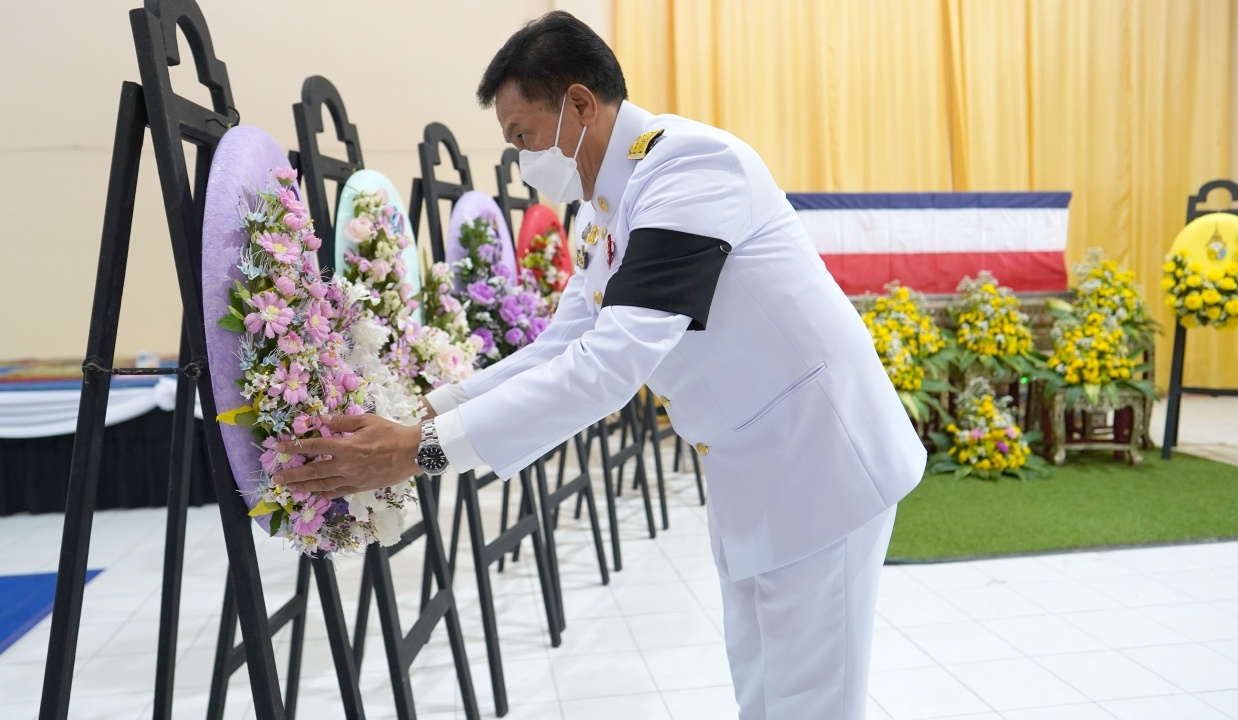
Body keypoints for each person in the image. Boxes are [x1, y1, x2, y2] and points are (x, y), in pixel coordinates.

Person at [276, 11, 925, 718]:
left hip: (817, 462)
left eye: (525, 137)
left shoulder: (689, 168)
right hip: (757, 466)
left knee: (809, 701)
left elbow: (610, 365)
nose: (524, 162)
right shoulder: (603, 212)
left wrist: (422, 453)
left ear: (581, 105)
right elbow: (563, 347)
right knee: (765, 688)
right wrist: (427, 411)